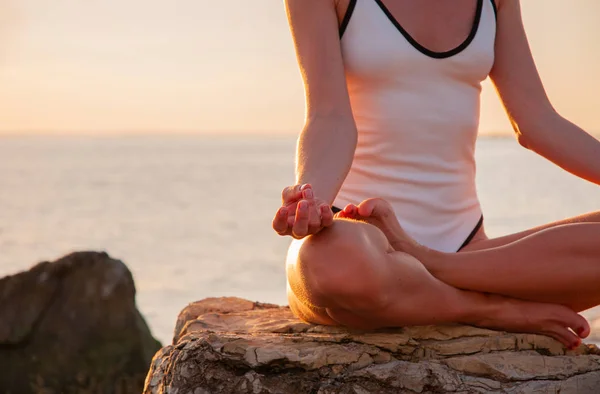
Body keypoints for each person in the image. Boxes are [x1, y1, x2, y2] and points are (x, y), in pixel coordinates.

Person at [272, 0, 600, 350]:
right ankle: (488, 309)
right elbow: (329, 117)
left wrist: (425, 259)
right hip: (357, 243)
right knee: (338, 269)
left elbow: (537, 124)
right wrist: (312, 199)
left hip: (470, 253)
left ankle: (431, 266)